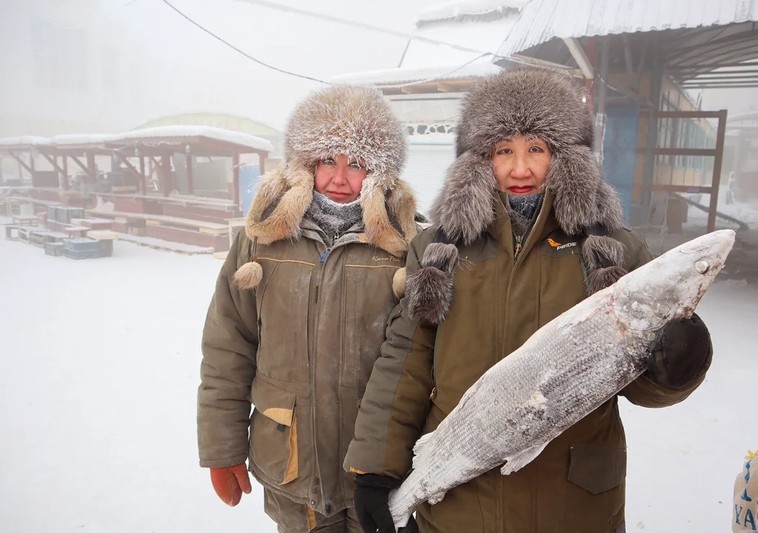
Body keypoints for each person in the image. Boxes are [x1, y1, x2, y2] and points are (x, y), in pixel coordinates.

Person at [344, 68, 713, 533]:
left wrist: (676, 364)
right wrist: (377, 468)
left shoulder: (614, 251)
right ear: (479, 161)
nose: (520, 169)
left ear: (565, 157)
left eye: (536, 149)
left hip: (574, 504)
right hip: (462, 500)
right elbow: (407, 358)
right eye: (504, 151)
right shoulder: (440, 250)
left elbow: (639, 384)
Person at [197, 84, 420, 533]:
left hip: (379, 472)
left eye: (355, 164)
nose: (339, 179)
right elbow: (228, 347)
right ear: (305, 164)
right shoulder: (260, 241)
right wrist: (222, 450)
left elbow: (426, 362)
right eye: (326, 161)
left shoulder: (409, 247)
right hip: (291, 467)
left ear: (379, 172)